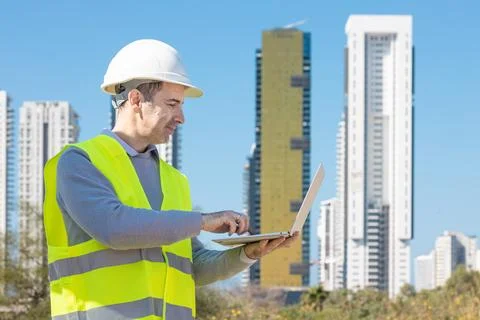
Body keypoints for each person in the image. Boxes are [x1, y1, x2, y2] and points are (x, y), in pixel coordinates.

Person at [43, 39, 299, 320]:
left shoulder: (175, 180)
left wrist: (248, 254)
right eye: (173, 104)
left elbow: (194, 265)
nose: (181, 118)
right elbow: (113, 227)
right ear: (136, 100)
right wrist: (202, 221)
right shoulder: (78, 162)